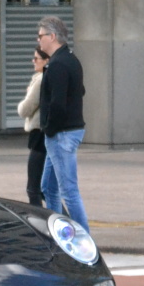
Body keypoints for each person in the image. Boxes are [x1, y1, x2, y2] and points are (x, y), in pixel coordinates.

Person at [36, 15, 89, 231]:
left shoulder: (58, 64)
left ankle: (85, 239)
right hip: (65, 132)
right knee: (48, 187)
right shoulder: (71, 59)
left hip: (62, 134)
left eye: (41, 36)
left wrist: (49, 128)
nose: (38, 40)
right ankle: (58, 233)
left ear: (53, 36)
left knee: (68, 191)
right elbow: (80, 91)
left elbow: (58, 103)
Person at [16, 47, 50, 206]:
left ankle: (42, 223)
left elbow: (26, 109)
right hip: (44, 133)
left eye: (36, 58)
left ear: (46, 61)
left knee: (34, 188)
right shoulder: (47, 77)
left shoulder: (41, 79)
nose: (33, 61)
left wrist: (22, 103)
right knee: (45, 188)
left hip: (39, 134)